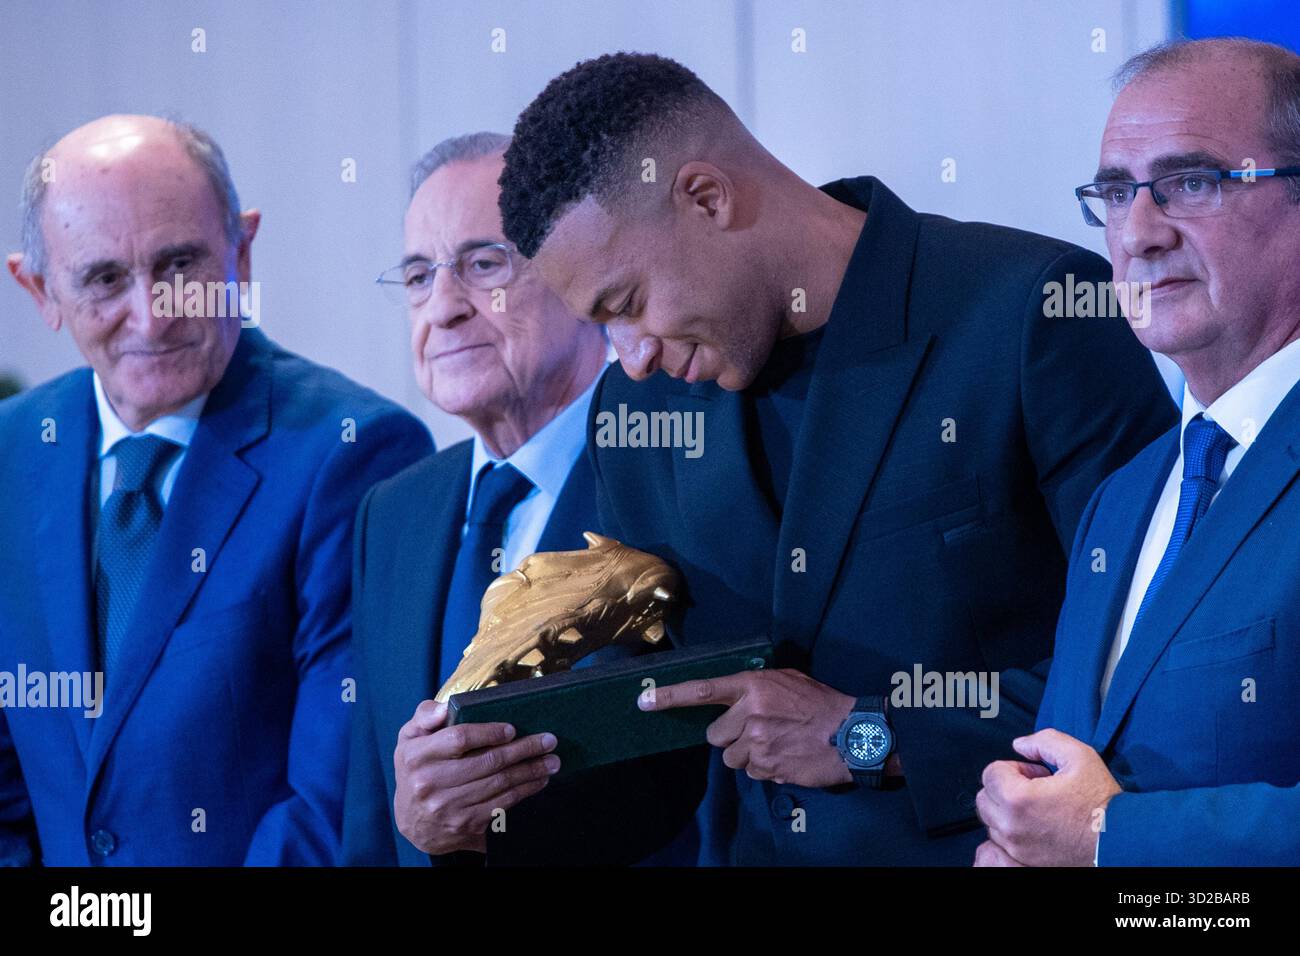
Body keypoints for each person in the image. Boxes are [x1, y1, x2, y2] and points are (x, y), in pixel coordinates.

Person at [498, 52, 1178, 865]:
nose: (630, 355)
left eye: (628, 303)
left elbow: (1149, 672)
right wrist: (485, 807)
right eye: (600, 325)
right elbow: (662, 736)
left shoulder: (1033, 313)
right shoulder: (637, 413)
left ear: (706, 197)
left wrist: (869, 736)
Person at [0, 115, 432, 866]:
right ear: (39, 288)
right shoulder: (11, 453)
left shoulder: (353, 455)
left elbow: (336, 805)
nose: (152, 314)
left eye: (179, 265)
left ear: (241, 252)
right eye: (104, 278)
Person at [976, 38, 1300, 868]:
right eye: (1116, 194)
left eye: (1191, 182)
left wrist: (1112, 841)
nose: (1138, 234)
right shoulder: (1120, 501)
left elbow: (1102, 831)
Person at [343, 133, 703, 866]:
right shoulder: (394, 513)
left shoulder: (682, 469)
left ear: (580, 273)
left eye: (483, 264)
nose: (442, 307)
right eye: (417, 276)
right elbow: (373, 818)